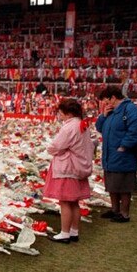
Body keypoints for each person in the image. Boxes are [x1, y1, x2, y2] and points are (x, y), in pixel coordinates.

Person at [43, 99, 94, 243]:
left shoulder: (69, 127)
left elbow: (57, 146)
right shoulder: (82, 125)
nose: (59, 116)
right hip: (79, 166)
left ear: (68, 113)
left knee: (65, 202)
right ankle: (74, 231)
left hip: (68, 168)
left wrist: (50, 149)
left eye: (61, 113)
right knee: (74, 202)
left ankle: (64, 233)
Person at [95, 86, 137, 223]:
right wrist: (103, 115)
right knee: (112, 184)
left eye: (106, 101)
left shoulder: (130, 109)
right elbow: (99, 128)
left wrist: (124, 146)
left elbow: (136, 129)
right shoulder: (112, 111)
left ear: (113, 98)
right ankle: (115, 210)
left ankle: (124, 213)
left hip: (123, 153)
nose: (105, 104)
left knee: (124, 185)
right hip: (110, 153)